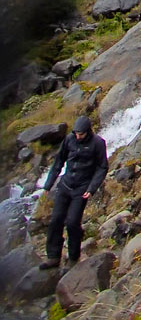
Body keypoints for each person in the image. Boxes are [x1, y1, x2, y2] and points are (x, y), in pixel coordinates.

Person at [39, 115, 108, 269]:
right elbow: (59, 162)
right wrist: (47, 186)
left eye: (81, 134)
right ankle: (53, 256)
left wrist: (92, 188)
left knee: (72, 223)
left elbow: (102, 167)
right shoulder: (70, 139)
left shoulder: (98, 143)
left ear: (88, 131)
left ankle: (73, 258)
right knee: (56, 219)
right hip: (65, 185)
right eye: (76, 133)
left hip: (82, 189)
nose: (78, 136)